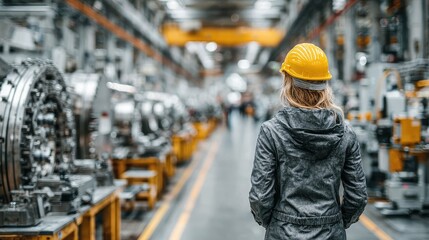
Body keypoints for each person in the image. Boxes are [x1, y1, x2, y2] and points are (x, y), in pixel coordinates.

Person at [249, 43, 367, 239]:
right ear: (325, 84)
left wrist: (276, 223)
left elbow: (261, 197)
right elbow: (358, 197)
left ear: (287, 81)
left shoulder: (271, 132)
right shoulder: (346, 133)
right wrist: (336, 222)